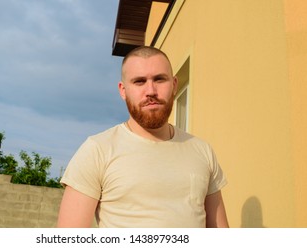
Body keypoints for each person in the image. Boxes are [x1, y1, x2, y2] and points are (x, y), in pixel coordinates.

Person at [57, 46, 228, 228]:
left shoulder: (202, 151)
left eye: (159, 79)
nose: (151, 91)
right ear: (123, 90)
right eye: (139, 81)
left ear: (175, 84)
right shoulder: (97, 150)